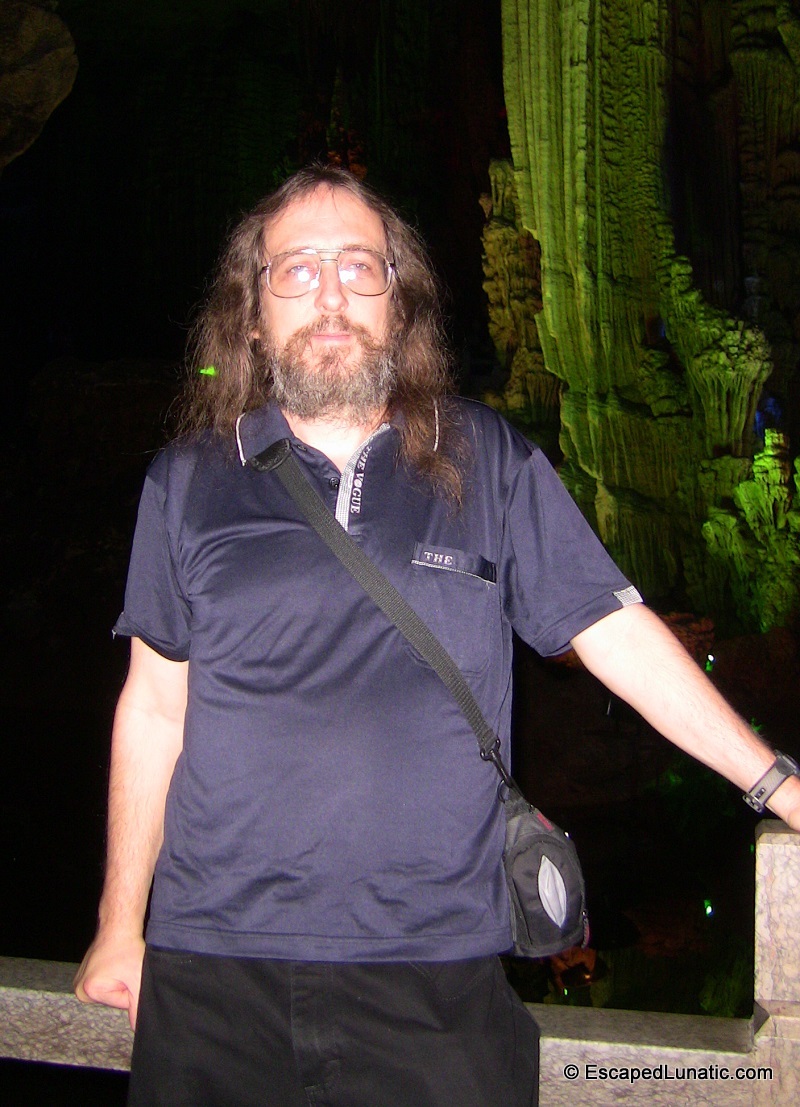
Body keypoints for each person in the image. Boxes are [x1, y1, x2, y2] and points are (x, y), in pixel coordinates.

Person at [74, 165, 800, 1106]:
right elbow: (155, 710)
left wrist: (777, 782)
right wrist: (117, 921)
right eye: (296, 270)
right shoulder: (186, 481)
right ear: (251, 315)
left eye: (358, 267)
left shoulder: (484, 459)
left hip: (436, 976)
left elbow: (611, 628)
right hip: (214, 972)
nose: (330, 294)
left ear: (399, 301)